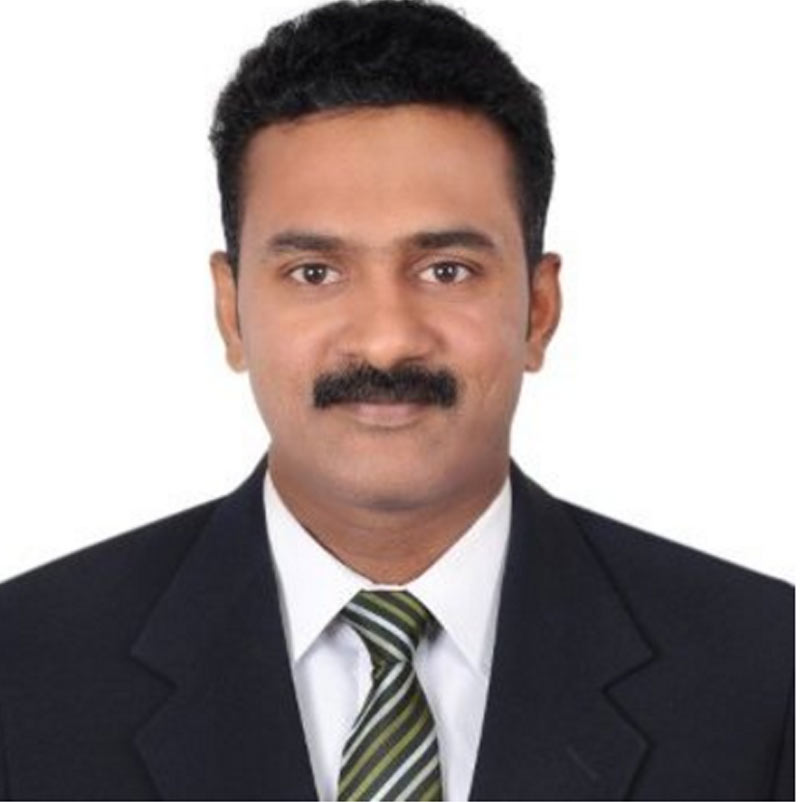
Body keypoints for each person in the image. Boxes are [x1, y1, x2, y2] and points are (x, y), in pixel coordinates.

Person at [0, 1, 793, 799]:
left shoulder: (767, 669)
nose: (386, 342)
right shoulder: (24, 669)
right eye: (315, 272)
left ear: (539, 310)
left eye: (447, 269)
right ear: (231, 311)